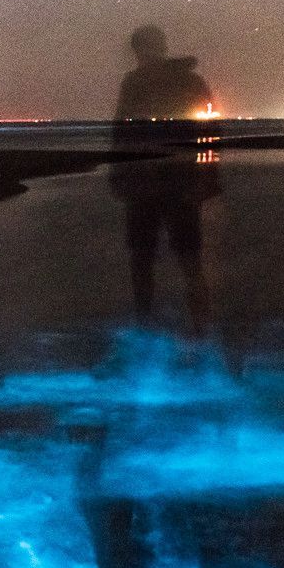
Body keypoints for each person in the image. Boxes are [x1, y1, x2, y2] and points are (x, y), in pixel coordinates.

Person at [111, 25, 219, 336]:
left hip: (148, 184)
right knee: (187, 260)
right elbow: (209, 130)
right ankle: (200, 331)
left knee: (145, 261)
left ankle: (148, 329)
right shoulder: (190, 81)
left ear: (139, 50)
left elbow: (122, 132)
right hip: (179, 182)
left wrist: (119, 175)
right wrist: (208, 176)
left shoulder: (135, 82)